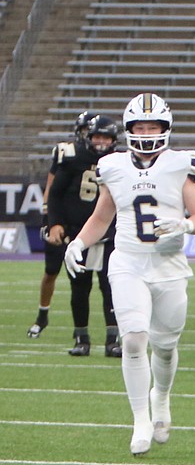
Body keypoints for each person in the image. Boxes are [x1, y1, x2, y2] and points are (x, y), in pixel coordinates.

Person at [64, 93, 195, 456]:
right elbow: (102, 217)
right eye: (140, 127)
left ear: (165, 129)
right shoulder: (113, 166)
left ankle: (160, 396)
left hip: (169, 266)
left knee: (165, 346)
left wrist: (184, 225)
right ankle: (140, 420)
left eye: (153, 126)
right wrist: (79, 243)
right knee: (133, 340)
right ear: (129, 130)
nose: (146, 133)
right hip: (128, 261)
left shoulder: (180, 164)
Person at [45, 114, 122, 357]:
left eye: (105, 137)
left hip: (110, 234)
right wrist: (54, 223)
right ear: (88, 137)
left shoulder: (121, 163)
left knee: (111, 288)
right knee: (80, 288)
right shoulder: (73, 158)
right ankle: (81, 337)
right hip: (79, 234)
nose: (100, 142)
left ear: (114, 140)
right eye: (96, 136)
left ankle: (113, 339)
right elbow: (55, 194)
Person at [27, 110, 97, 339]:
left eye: (92, 132)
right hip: (63, 219)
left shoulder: (107, 154)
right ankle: (42, 315)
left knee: (88, 279)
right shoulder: (66, 152)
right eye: (86, 131)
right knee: (51, 271)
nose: (90, 136)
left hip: (88, 222)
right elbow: (51, 187)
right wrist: (50, 220)